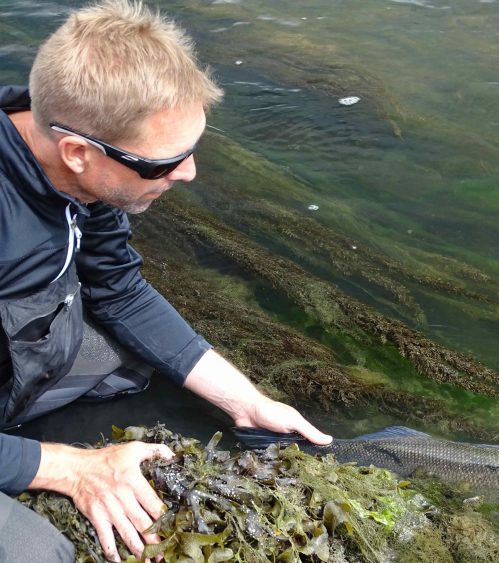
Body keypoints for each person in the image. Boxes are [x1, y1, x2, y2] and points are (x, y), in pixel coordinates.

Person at [0, 1, 332, 561]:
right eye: (161, 164)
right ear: (78, 153)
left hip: (22, 354)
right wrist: (70, 470)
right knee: (39, 552)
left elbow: (119, 291)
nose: (188, 173)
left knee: (150, 370)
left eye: (190, 151)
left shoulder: (76, 167)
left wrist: (247, 403)